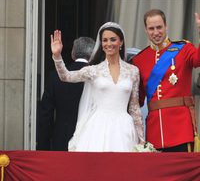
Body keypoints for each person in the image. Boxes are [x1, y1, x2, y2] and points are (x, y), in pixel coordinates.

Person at [50, 22, 145, 152]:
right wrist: (57, 56)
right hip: (98, 128)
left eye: (113, 39)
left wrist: (141, 138)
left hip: (124, 129)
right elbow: (66, 76)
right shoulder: (93, 70)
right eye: (104, 40)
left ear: (121, 42)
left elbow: (134, 107)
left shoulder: (133, 71)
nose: (108, 43)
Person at [132, 9, 200, 152]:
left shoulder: (184, 49)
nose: (156, 32)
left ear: (166, 26)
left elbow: (198, 60)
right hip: (154, 132)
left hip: (181, 130)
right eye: (151, 28)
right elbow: (137, 100)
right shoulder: (139, 60)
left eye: (159, 27)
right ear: (145, 30)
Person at [36, 37, 95, 151]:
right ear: (92, 56)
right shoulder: (97, 78)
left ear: (73, 54)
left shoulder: (55, 76)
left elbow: (46, 114)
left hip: (61, 138)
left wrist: (43, 145)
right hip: (89, 138)